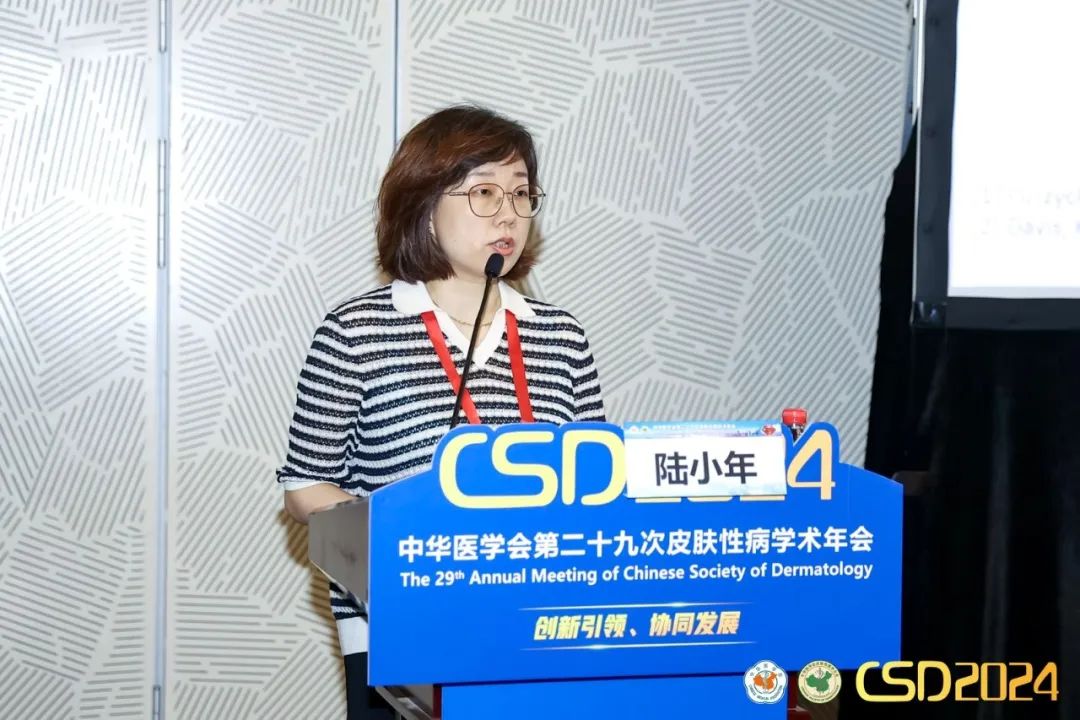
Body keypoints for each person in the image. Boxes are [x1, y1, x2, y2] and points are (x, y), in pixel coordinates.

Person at [275, 104, 607, 719]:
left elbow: (598, 481)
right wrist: (408, 541)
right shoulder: (356, 331)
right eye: (484, 192)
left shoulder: (560, 335)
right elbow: (303, 488)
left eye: (521, 193)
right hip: (399, 632)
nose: (508, 213)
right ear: (424, 203)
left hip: (536, 624)